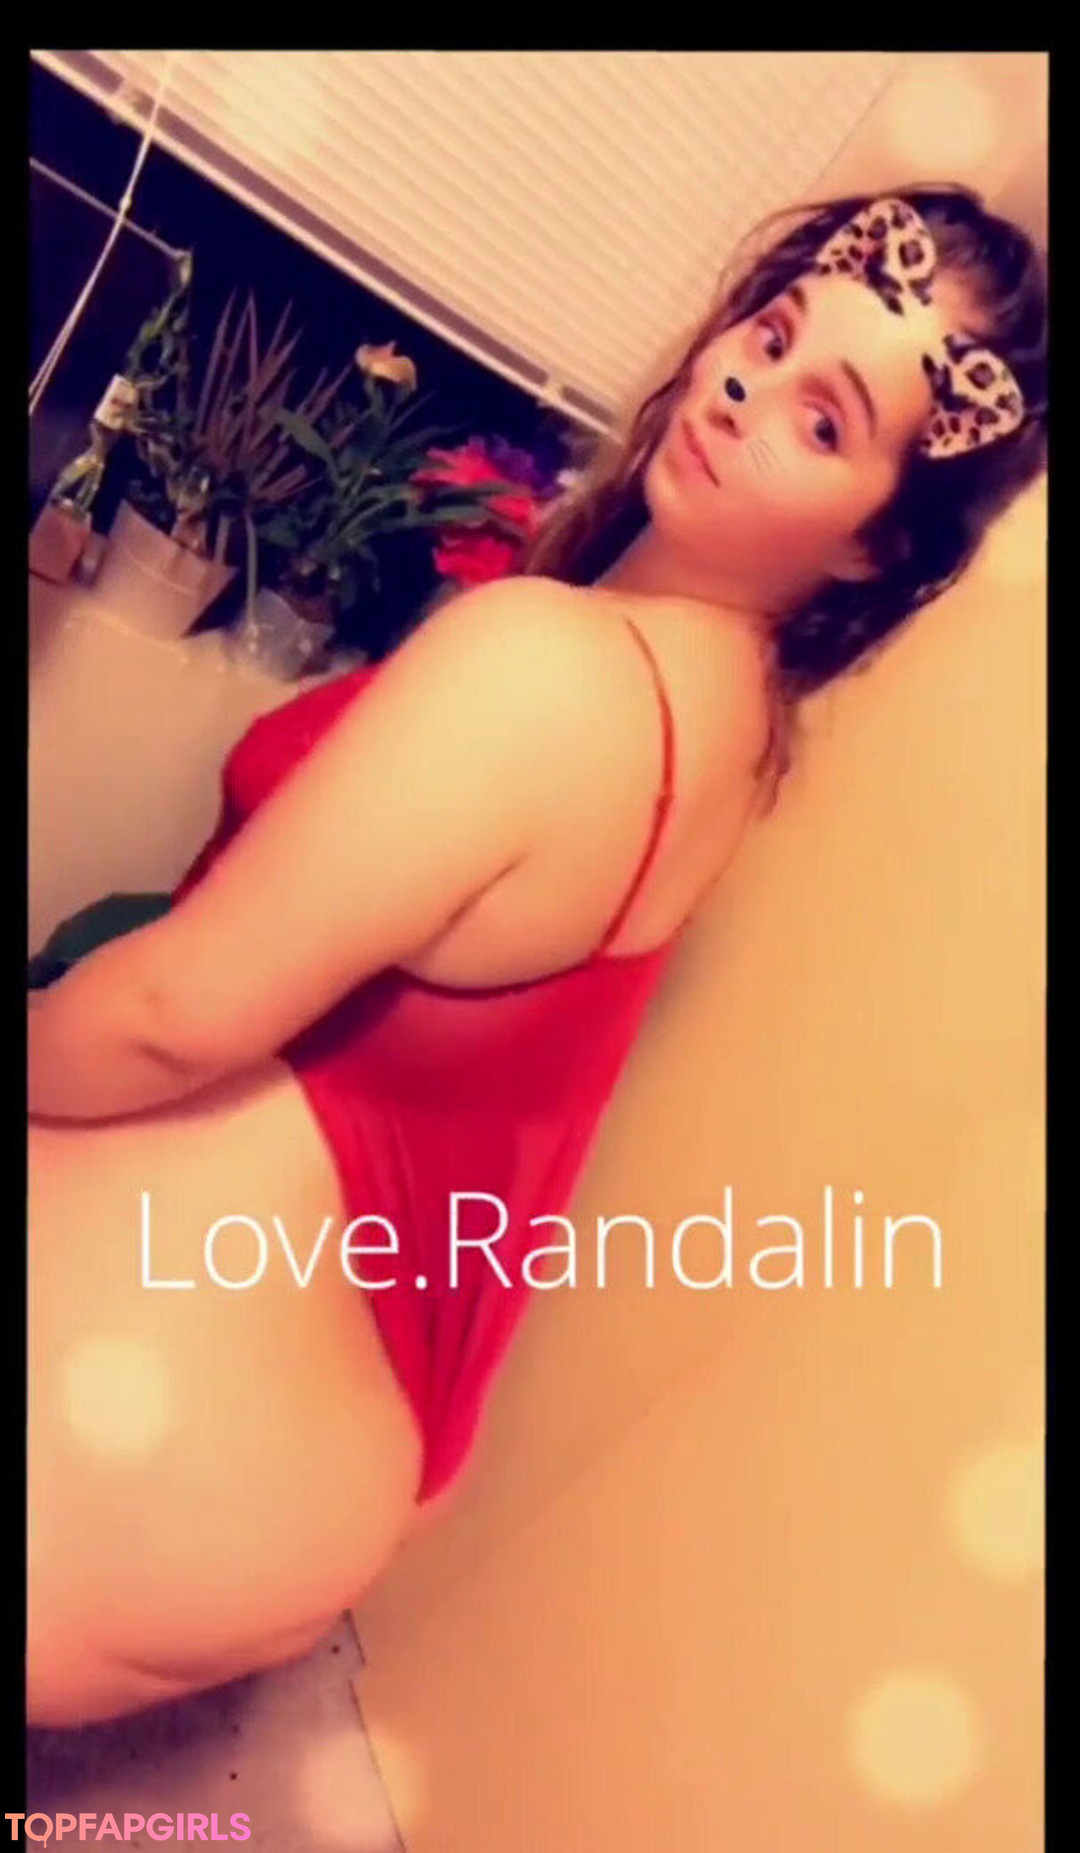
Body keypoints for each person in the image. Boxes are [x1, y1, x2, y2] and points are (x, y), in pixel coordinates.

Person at [26, 184, 1048, 1727]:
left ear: (869, 552)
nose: (743, 389)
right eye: (772, 336)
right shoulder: (729, 725)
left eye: (823, 423)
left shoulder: (549, 670)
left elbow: (173, 1013)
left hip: (151, 1454)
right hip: (312, 1453)